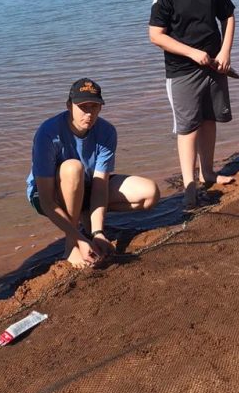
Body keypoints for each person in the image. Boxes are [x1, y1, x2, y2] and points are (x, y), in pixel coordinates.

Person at [27, 78, 160, 268]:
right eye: (83, 107)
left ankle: (88, 221)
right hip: (47, 195)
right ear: (68, 106)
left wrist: (98, 232)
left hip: (86, 186)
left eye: (94, 106)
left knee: (150, 193)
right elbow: (47, 201)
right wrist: (78, 239)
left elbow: (99, 187)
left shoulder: (107, 131)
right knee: (73, 168)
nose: (89, 113)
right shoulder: (48, 133)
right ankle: (70, 244)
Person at [148, 0, 236, 210]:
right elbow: (155, 36)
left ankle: (208, 173)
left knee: (209, 119)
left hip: (214, 65)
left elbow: (228, 16)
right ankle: (189, 187)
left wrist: (224, 51)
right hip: (182, 71)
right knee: (187, 128)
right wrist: (191, 52)